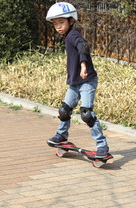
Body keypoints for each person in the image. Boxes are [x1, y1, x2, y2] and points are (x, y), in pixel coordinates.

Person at [46, 2, 109, 158]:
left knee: (87, 113)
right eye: (55, 24)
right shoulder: (67, 36)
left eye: (61, 22)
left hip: (87, 81)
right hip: (74, 83)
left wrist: (83, 65)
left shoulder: (74, 35)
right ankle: (61, 135)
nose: (58, 26)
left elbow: (83, 47)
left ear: (71, 21)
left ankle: (102, 145)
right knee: (64, 110)